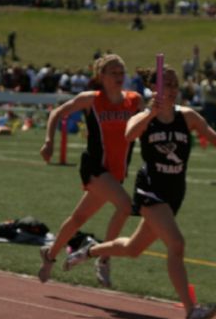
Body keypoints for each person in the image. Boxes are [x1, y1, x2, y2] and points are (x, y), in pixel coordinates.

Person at [63, 66, 216, 319]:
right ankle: (191, 311)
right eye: (169, 86)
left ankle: (90, 250)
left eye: (176, 86)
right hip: (150, 190)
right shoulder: (144, 116)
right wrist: (151, 112)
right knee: (176, 244)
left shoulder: (187, 116)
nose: (173, 91)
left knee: (133, 248)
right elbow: (129, 134)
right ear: (155, 89)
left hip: (175, 193)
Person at [38, 54, 144, 286]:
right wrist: (49, 142)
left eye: (121, 72)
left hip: (116, 173)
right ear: (101, 76)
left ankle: (50, 254)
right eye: (113, 72)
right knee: (126, 206)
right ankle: (103, 258)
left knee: (79, 218)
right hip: (95, 167)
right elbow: (57, 113)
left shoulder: (135, 100)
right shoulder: (91, 100)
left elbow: (153, 119)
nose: (118, 76)